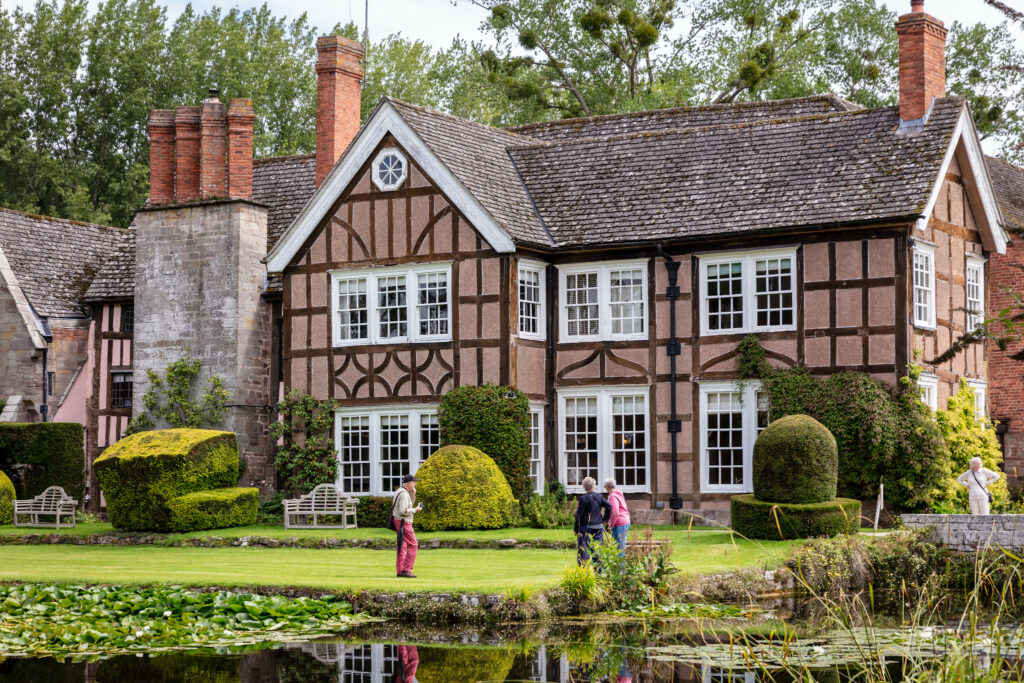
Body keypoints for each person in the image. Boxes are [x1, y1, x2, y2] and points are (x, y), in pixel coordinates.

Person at [574, 476, 611, 566]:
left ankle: (584, 569)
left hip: (586, 526)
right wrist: (605, 519)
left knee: (584, 549)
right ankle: (598, 570)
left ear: (584, 486)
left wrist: (576, 529)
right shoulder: (599, 496)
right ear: (593, 485)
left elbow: (579, 515)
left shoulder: (583, 498)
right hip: (598, 525)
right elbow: (609, 506)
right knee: (597, 548)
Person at [392, 474, 423, 577]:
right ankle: (406, 570)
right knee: (413, 544)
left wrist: (413, 495)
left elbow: (406, 505)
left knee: (402, 545)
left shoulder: (401, 491)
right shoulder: (404, 494)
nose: (415, 484)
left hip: (398, 521)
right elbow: (403, 510)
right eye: (414, 482)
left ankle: (400, 570)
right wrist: (416, 510)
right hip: (403, 522)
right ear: (408, 483)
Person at [604, 477, 631, 557]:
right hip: (625, 521)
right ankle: (620, 568)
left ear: (607, 487)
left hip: (619, 523)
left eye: (605, 487)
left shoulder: (612, 496)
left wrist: (610, 525)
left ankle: (620, 569)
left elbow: (615, 511)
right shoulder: (619, 493)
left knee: (619, 549)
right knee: (620, 546)